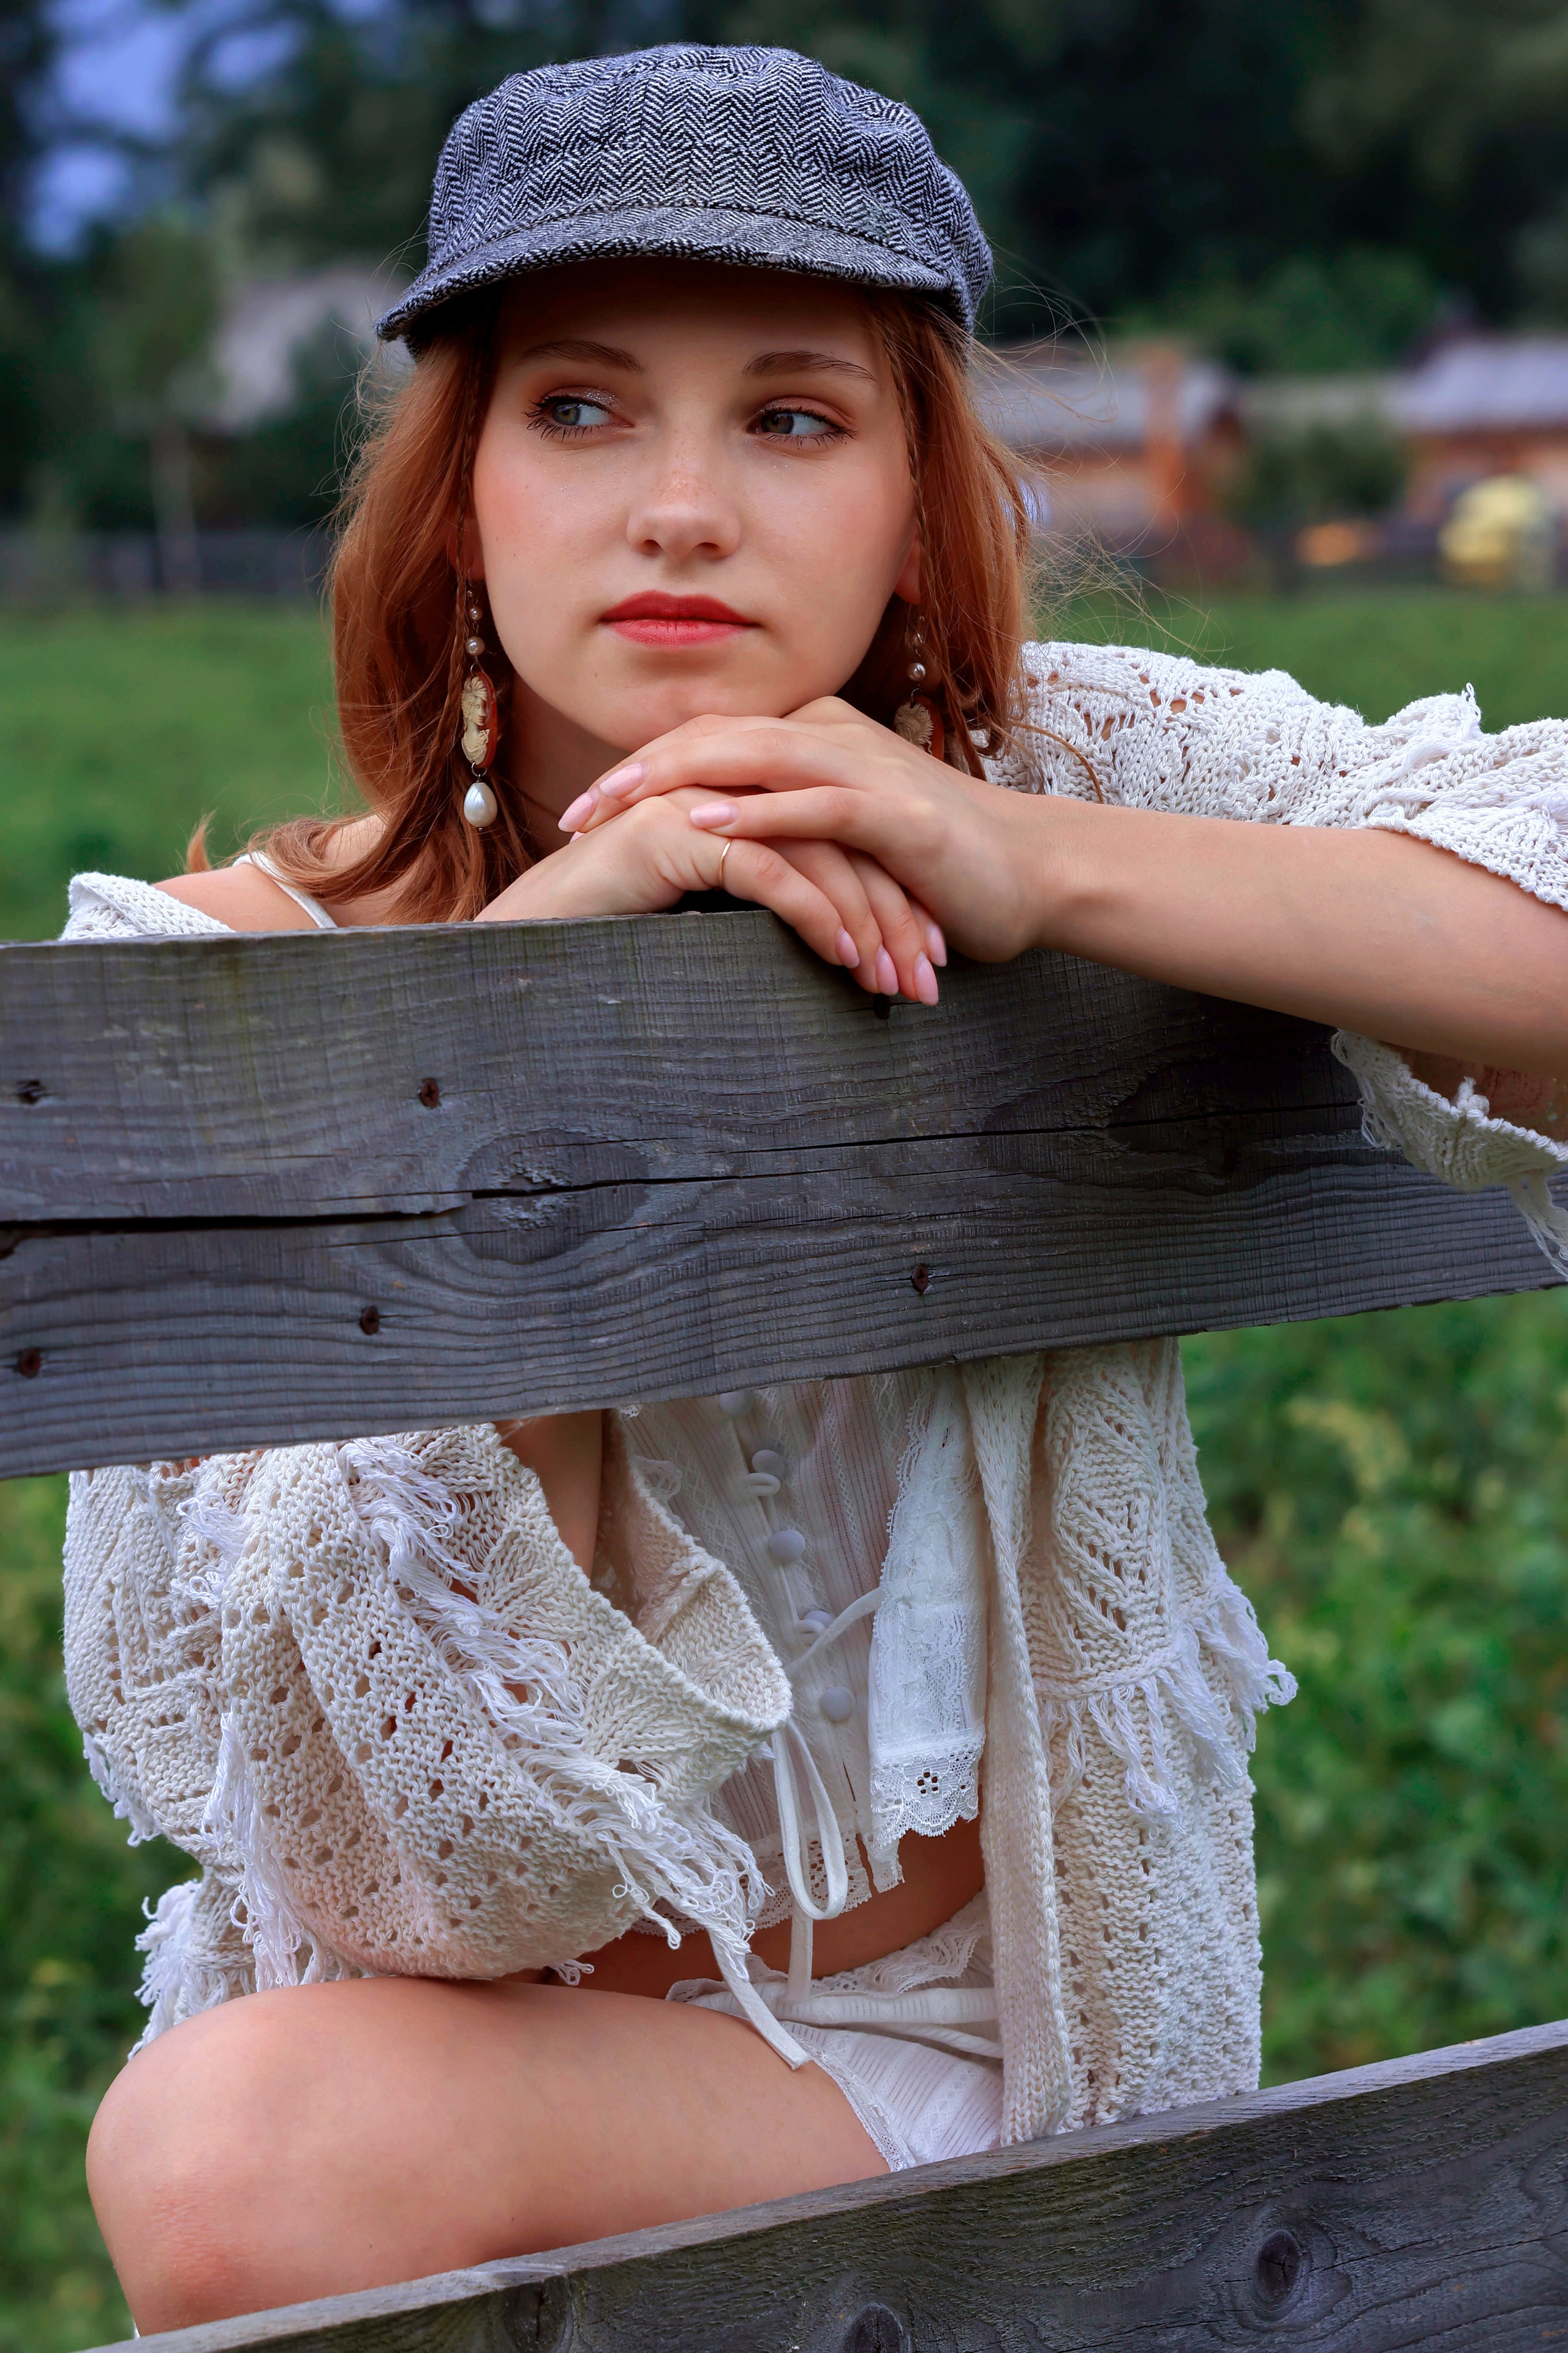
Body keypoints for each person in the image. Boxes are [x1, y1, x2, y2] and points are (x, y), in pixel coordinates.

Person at [59, 43, 1568, 2337]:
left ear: (911, 492)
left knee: (257, 2148)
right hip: (432, 2060)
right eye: (579, 410)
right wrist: (524, 1032)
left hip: (982, 2058)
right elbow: (425, 1879)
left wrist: (1040, 862)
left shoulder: (1077, 764)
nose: (683, 506)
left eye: (791, 416)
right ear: (459, 486)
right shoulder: (213, 993)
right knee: (247, 2149)